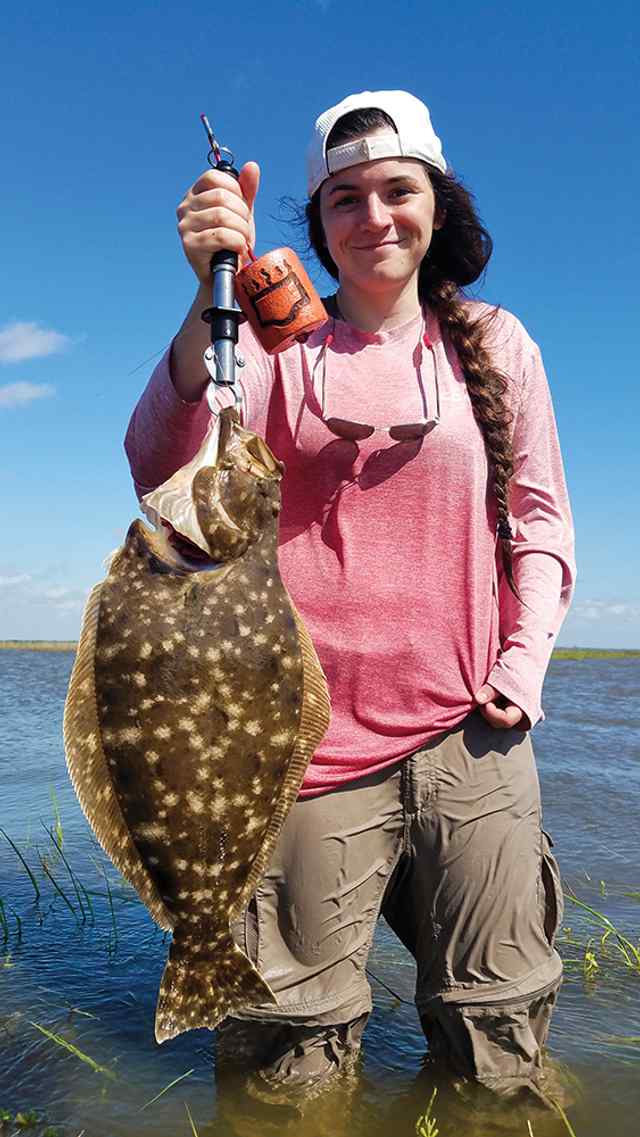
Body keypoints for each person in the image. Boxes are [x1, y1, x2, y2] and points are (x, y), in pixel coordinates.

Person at [125, 90, 576, 1106]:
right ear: (317, 223)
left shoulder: (497, 345)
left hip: (474, 736)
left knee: (500, 1037)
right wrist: (212, 294)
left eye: (396, 191)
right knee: (290, 1057)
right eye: (343, 199)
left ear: (436, 206)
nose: (373, 217)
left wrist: (521, 667)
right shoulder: (278, 352)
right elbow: (159, 466)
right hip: (303, 749)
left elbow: (541, 525)